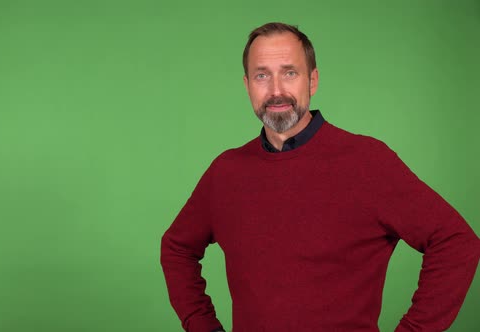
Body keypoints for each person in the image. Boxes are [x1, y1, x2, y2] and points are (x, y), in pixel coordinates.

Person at [160, 22, 480, 332]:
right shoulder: (226, 172)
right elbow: (176, 248)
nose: (276, 91)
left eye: (289, 73)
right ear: (247, 86)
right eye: (262, 76)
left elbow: (456, 242)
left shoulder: (367, 162)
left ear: (312, 81)